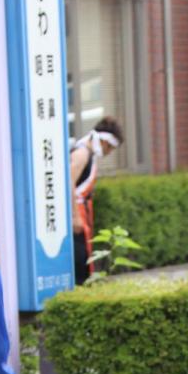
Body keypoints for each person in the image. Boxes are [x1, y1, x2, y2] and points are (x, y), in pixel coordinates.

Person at [69, 116, 124, 285]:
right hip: (77, 215)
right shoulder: (81, 153)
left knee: (84, 260)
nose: (109, 153)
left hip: (83, 213)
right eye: (111, 148)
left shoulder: (88, 153)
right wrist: (75, 216)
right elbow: (68, 181)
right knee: (79, 262)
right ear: (106, 142)